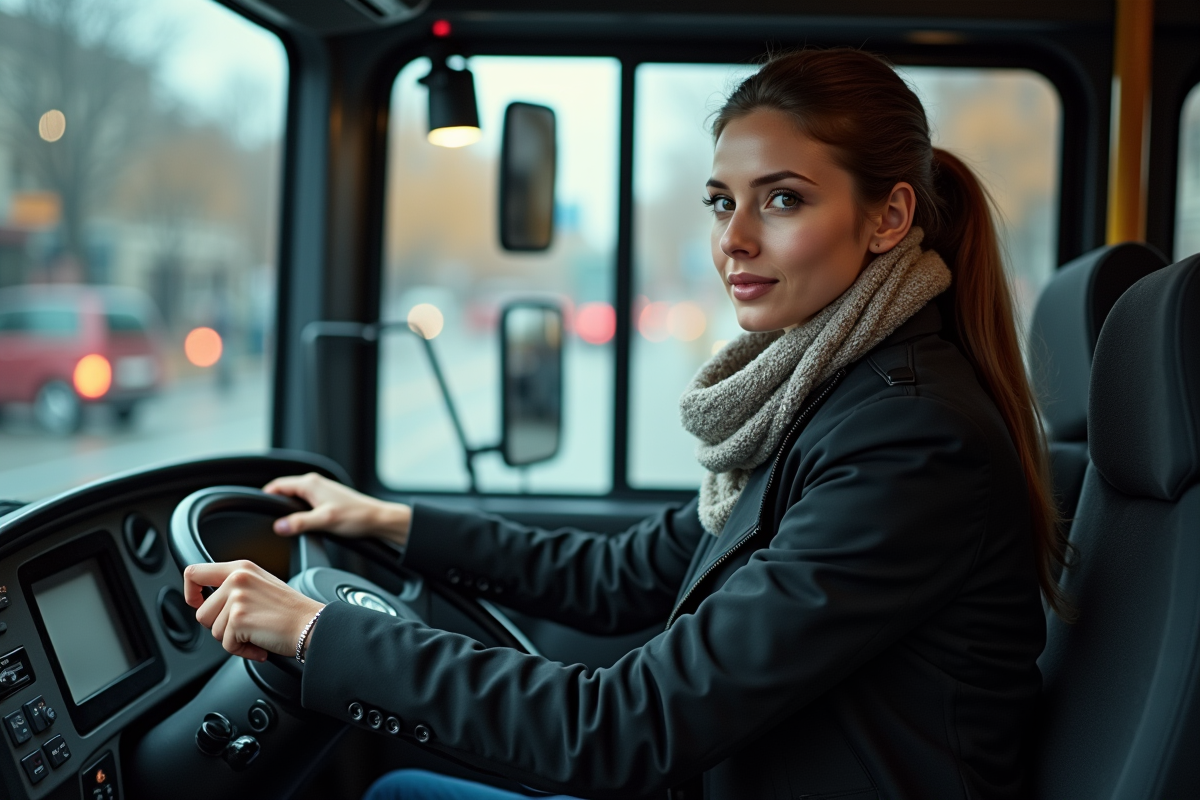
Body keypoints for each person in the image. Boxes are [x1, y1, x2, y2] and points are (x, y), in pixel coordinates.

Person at [183, 48, 1066, 799]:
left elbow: (620, 727)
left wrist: (316, 633)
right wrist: (390, 523)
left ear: (890, 218)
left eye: (784, 199)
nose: (736, 239)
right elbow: (619, 573)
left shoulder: (908, 439)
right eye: (723, 201)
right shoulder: (820, 397)